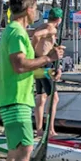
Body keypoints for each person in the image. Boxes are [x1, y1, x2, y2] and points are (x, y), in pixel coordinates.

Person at [0, 0, 64, 161]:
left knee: (15, 149)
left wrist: (47, 72)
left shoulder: (13, 31)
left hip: (13, 98)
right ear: (28, 10)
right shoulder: (17, 33)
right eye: (35, 8)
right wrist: (49, 58)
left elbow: (24, 69)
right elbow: (19, 65)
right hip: (16, 99)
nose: (37, 13)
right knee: (24, 149)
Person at [30, 7, 63, 138]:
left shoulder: (42, 26)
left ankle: (39, 130)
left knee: (41, 97)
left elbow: (41, 40)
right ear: (59, 19)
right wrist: (31, 49)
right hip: (44, 63)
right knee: (54, 98)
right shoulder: (51, 28)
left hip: (38, 61)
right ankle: (50, 129)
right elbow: (36, 36)